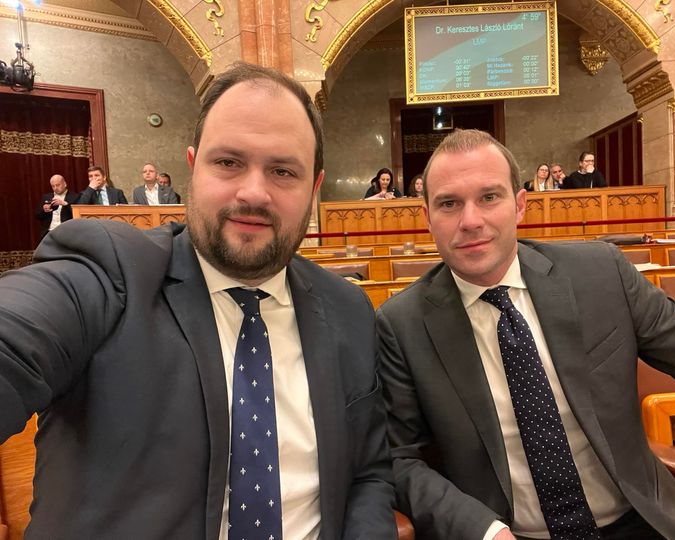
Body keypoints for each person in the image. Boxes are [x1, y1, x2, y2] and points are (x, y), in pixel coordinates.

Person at [0, 62, 395, 538]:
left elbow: (368, 473)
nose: (254, 192)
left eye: (283, 170)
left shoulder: (348, 310)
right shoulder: (108, 271)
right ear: (193, 168)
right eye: (228, 162)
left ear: (314, 188)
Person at [377, 128, 675, 540]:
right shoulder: (401, 324)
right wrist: (484, 530)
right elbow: (398, 458)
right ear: (427, 217)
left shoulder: (601, 274)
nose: (471, 221)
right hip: (508, 534)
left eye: (489, 197)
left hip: (639, 523)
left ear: (520, 205)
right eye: (449, 204)